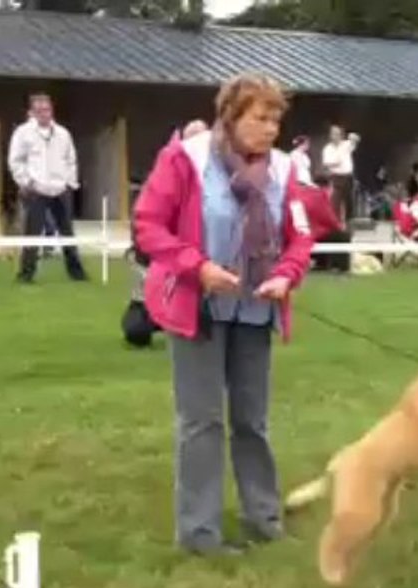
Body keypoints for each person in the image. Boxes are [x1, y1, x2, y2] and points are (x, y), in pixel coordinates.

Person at [133, 74, 322, 556]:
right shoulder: (185, 158)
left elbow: (301, 237)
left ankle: (264, 518)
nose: (270, 129)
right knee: (202, 423)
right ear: (231, 118)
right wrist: (197, 267)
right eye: (260, 118)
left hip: (254, 310)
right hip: (196, 305)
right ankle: (199, 535)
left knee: (252, 421)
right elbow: (148, 227)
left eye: (276, 119)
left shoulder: (285, 170)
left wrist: (287, 274)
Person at [122, 119, 210, 349]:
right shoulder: (169, 167)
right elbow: (146, 222)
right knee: (136, 330)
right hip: (158, 259)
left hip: (199, 264)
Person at [8, 93, 86, 283]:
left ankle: (76, 273)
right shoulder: (23, 133)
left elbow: (71, 159)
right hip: (36, 189)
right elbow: (15, 161)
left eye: (47, 110)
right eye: (40, 110)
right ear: (32, 112)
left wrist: (69, 183)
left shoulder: (63, 134)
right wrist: (27, 182)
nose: (44, 114)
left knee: (67, 233)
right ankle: (26, 274)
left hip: (60, 189)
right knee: (32, 233)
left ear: (52, 111)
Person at [322, 124, 359, 223]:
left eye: (338, 134)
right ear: (330, 135)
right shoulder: (328, 148)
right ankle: (336, 224)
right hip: (336, 177)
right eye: (333, 134)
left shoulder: (345, 144)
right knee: (335, 201)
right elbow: (326, 163)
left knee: (349, 201)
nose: (336, 136)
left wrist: (353, 137)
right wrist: (336, 161)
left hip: (348, 177)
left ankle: (349, 223)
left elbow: (355, 141)